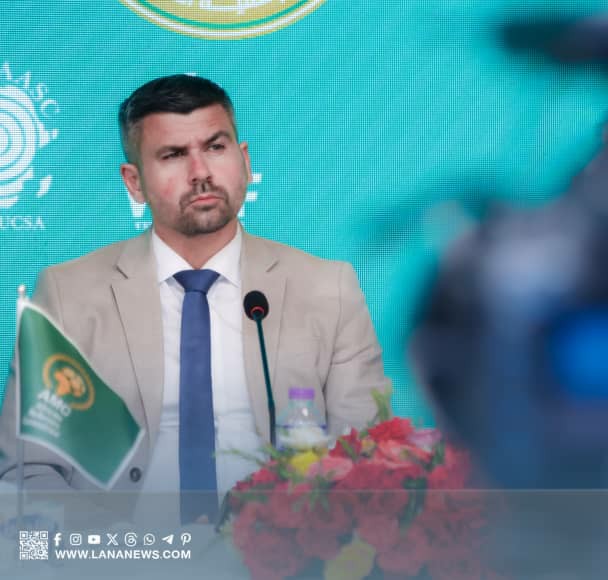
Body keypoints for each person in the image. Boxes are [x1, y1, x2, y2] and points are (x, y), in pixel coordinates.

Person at [0, 74, 391, 523]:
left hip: (279, 547)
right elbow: (26, 472)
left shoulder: (328, 288)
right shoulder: (68, 294)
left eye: (216, 147)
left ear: (244, 161)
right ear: (134, 182)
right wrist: (121, 548)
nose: (201, 172)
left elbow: (369, 461)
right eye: (172, 155)